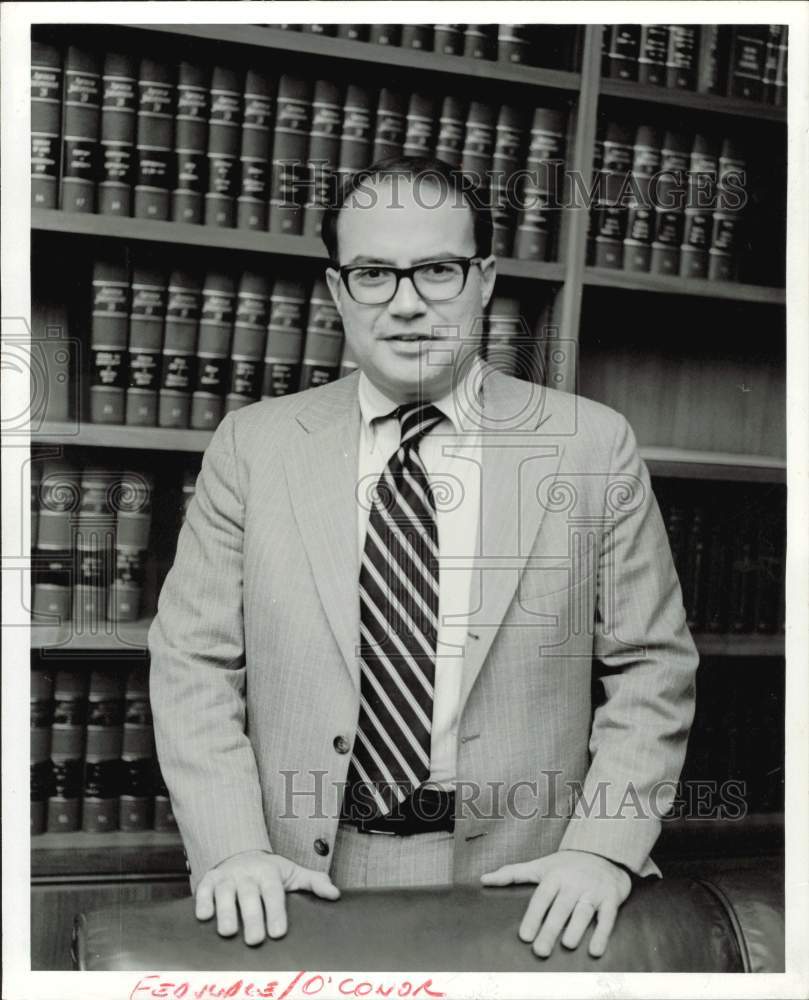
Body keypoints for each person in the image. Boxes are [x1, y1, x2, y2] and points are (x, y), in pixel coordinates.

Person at [149, 156, 699, 961]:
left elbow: (651, 667)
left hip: (527, 885)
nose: (406, 304)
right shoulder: (253, 446)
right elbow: (192, 659)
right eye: (373, 273)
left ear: (483, 280)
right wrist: (232, 848)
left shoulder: (591, 445)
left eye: (437, 270)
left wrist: (602, 847)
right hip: (299, 879)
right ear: (338, 291)